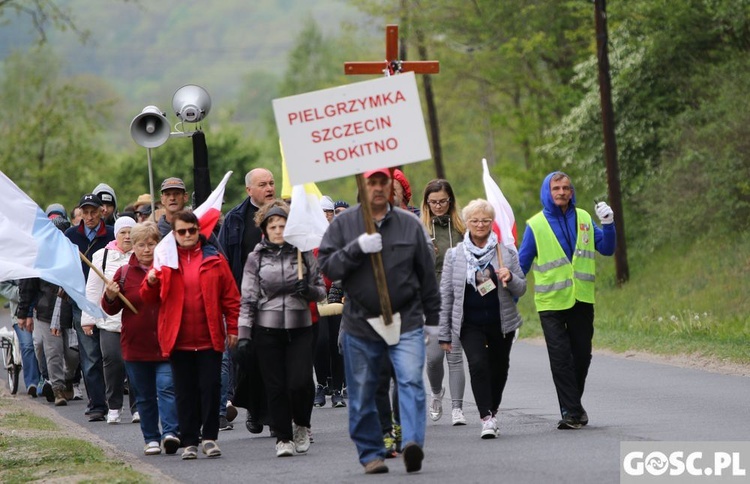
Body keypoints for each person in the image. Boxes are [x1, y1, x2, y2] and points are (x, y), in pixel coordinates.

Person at [318, 168, 440, 475]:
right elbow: (328, 265)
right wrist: (357, 248)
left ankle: (412, 442)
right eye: (371, 181)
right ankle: (371, 453)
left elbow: (426, 274)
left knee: (411, 381)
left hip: (407, 319)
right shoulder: (345, 224)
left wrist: (433, 320)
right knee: (363, 390)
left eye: (383, 181)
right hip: (361, 324)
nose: (377, 187)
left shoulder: (410, 225)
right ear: (362, 185)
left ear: (391, 187)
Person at [517, 171, 615, 429]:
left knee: (582, 356)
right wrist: (507, 293)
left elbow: (606, 248)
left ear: (571, 192)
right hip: (550, 303)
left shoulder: (583, 217)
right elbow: (521, 265)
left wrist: (608, 224)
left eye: (566, 188)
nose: (561, 192)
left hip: (581, 299)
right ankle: (572, 412)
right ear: (547, 192)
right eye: (556, 188)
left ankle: (573, 406)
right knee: (560, 357)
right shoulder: (536, 225)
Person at [141, 210, 240, 460]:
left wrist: (235, 328)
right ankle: (189, 441)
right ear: (174, 234)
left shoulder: (215, 259)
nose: (187, 235)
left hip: (210, 338)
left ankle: (209, 438)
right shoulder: (165, 261)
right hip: (178, 339)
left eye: (192, 231)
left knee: (210, 388)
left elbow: (231, 298)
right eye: (182, 231)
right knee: (184, 392)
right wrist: (151, 281)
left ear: (199, 232)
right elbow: (148, 299)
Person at [237, 200, 326, 457]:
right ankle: (283, 438)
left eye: (282, 225)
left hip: (300, 327)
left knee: (300, 382)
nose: (278, 230)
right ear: (265, 228)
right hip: (267, 329)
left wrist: (308, 290)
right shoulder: (256, 258)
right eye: (273, 226)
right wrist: (243, 335)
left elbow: (321, 290)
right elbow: (248, 298)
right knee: (275, 385)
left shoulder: (303, 252)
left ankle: (302, 423)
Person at [439, 199, 526, 439]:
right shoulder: (455, 255)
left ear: (491, 223)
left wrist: (510, 277)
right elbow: (446, 294)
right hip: (469, 323)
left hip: (501, 321)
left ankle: (493, 408)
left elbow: (522, 288)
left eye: (485, 220)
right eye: (475, 220)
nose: (480, 225)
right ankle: (486, 418)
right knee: (477, 364)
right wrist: (445, 332)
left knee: (499, 368)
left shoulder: (505, 253)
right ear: (466, 223)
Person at [101, 222, 180, 456]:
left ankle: (170, 433)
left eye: (151, 243)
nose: (146, 249)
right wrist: (110, 295)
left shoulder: (169, 269)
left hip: (166, 343)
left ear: (159, 244)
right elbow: (110, 309)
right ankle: (151, 438)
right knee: (144, 396)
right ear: (132, 247)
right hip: (135, 345)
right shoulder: (124, 273)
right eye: (141, 244)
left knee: (167, 388)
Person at [218, 167, 275, 434]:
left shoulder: (284, 216)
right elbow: (224, 262)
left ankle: (277, 416)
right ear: (249, 190)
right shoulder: (235, 219)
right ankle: (254, 407)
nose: (269, 188)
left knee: (277, 358)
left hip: (279, 300)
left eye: (272, 183)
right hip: (246, 302)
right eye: (262, 184)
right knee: (248, 358)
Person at [418, 179, 469, 426]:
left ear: (451, 201)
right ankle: (437, 393)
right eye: (433, 202)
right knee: (434, 359)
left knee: (455, 355)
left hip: (457, 300)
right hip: (430, 304)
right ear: (426, 204)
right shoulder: (419, 230)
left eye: (443, 201)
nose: (438, 206)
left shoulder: (462, 229)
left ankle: (458, 408)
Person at [64, 193, 115, 422]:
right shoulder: (71, 236)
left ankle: (115, 399)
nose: (90, 216)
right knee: (90, 355)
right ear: (81, 214)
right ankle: (97, 404)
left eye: (94, 211)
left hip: (109, 302)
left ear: (101, 211)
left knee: (111, 353)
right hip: (81, 302)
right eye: (85, 212)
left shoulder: (113, 234)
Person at [82, 216, 137, 424]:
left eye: (131, 232)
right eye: (123, 232)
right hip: (109, 320)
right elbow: (93, 289)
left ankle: (137, 406)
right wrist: (88, 319)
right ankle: (113, 406)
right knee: (113, 361)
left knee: (135, 363)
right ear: (117, 235)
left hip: (134, 321)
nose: (127, 236)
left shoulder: (141, 255)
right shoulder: (101, 256)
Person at [0, 280, 41, 398]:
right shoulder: (11, 267)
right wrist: (24, 293)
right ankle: (32, 383)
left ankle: (45, 380)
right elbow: (3, 286)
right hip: (19, 313)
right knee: (27, 344)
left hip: (41, 311)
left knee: (41, 344)